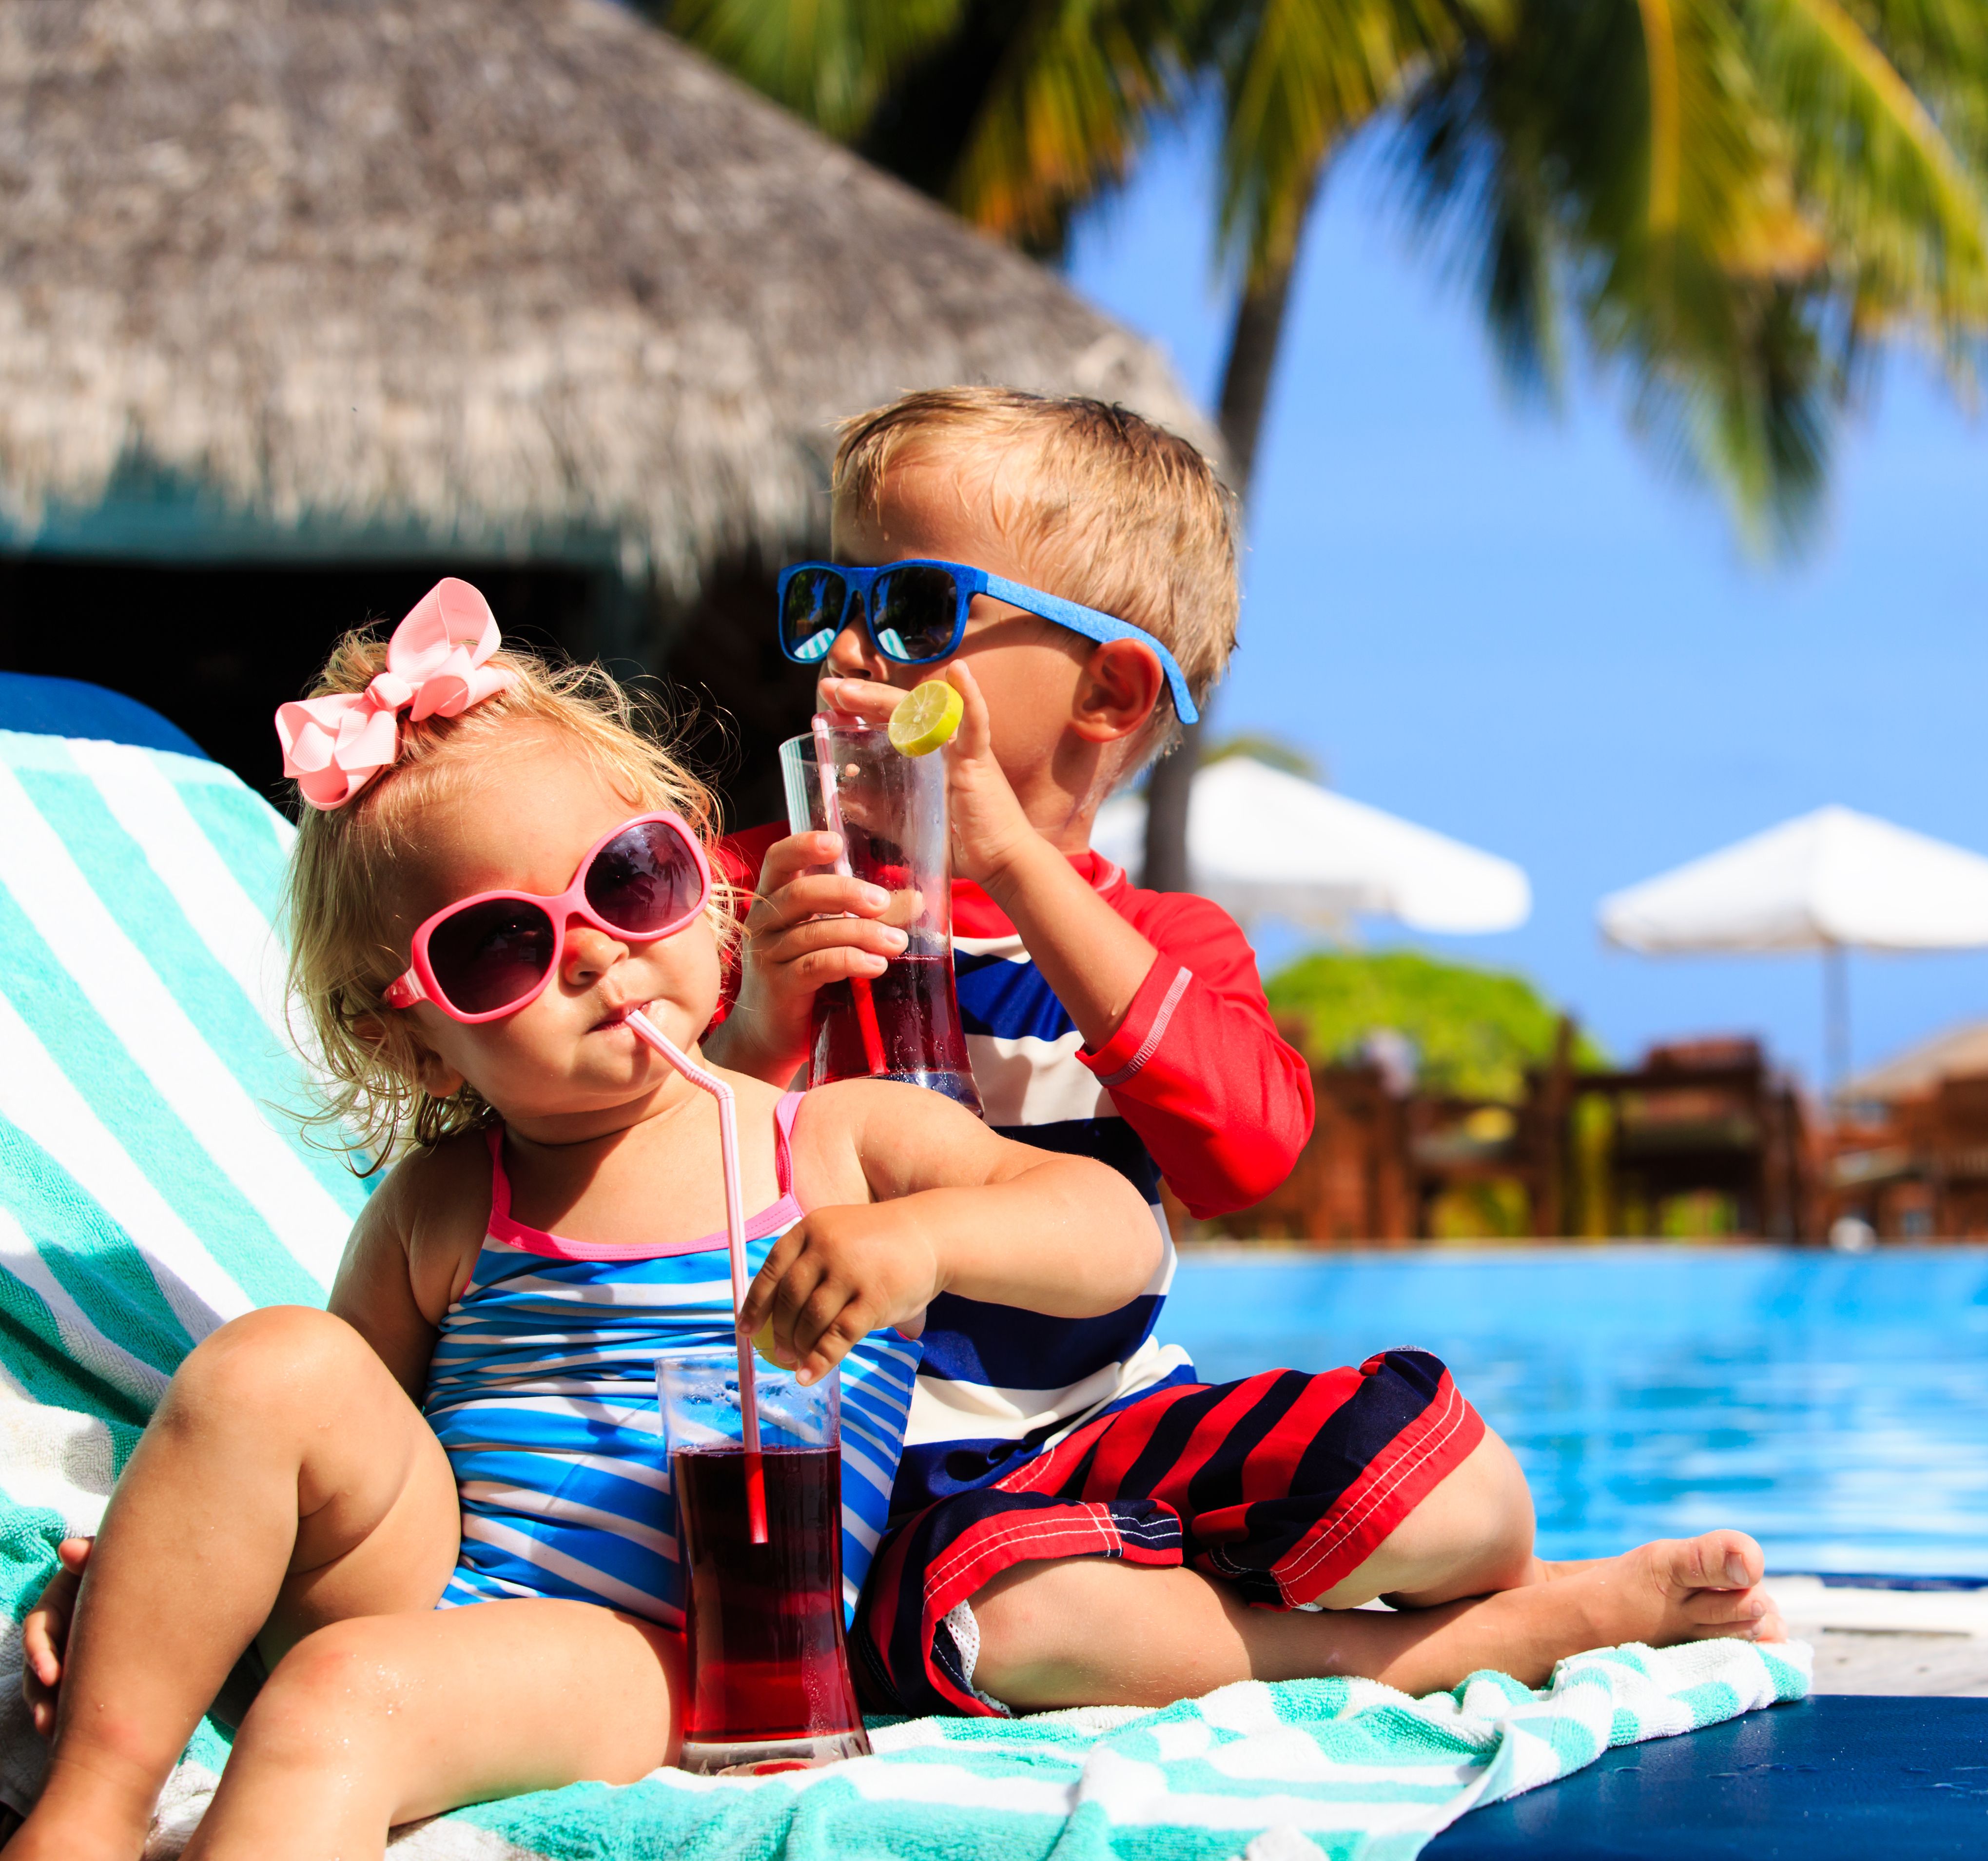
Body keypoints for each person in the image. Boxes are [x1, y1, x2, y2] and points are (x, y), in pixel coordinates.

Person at [6, 586, 1164, 1861]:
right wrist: (144, 1579)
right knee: (271, 1362)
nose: (595, 953)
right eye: (499, 947)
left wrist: (924, 1244)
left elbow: (1117, 1235)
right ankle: (89, 1810)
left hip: (678, 1651)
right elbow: (318, 1452)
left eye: (629, 878)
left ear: (698, 880)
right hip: (430, 1590)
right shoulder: (447, 1204)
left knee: (341, 1700)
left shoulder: (827, 1138)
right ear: (419, 1042)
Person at [702, 391, 1782, 1718]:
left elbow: (1248, 1152)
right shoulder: (754, 898)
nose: (852, 649)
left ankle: (1485, 1582)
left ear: (1108, 688)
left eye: (917, 608)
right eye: (831, 598)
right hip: (876, 1491)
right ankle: (1426, 1652)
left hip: (1108, 1430)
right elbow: (645, 1168)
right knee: (1015, 1617)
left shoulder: (1157, 941)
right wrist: (759, 1019)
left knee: (1464, 1486)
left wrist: (1016, 868)